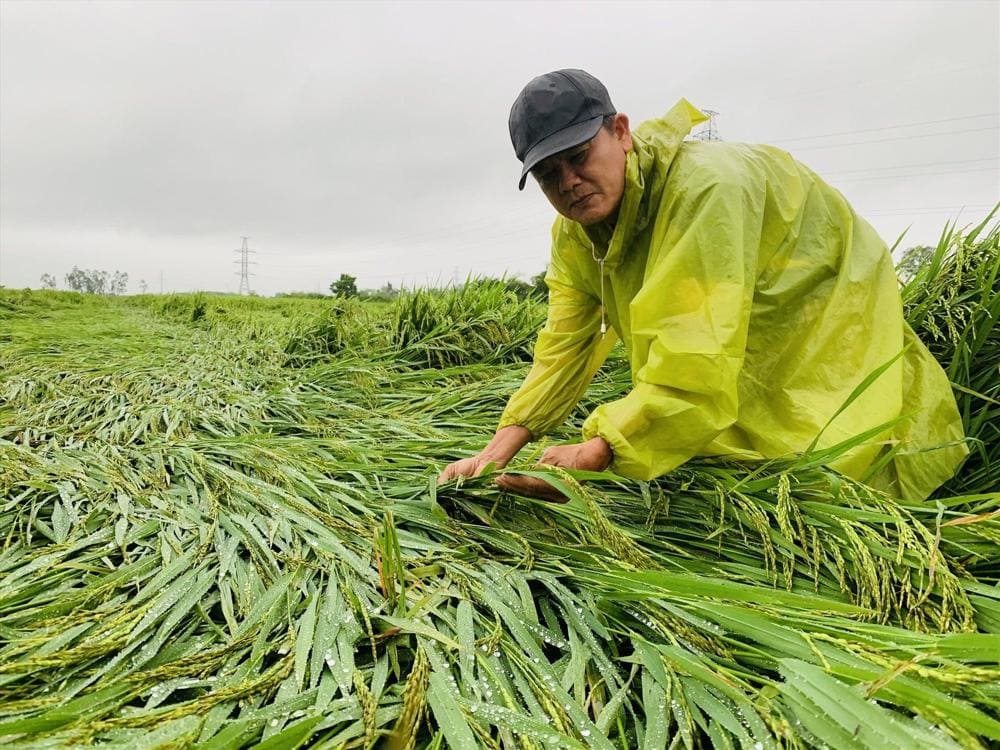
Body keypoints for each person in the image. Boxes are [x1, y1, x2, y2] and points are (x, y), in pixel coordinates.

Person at [438, 68, 966, 502]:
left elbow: (697, 354)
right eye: (549, 175)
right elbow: (564, 347)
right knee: (730, 443)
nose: (568, 183)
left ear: (620, 132)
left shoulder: (707, 190)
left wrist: (601, 450)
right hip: (737, 316)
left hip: (820, 307)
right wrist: (498, 449)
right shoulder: (576, 234)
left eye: (578, 158)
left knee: (826, 448)